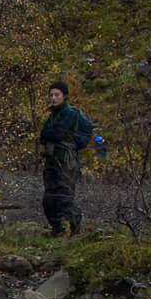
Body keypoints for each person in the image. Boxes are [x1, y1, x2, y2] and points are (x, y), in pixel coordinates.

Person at [38, 79, 96, 236]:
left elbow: (57, 134)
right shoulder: (52, 115)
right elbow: (43, 136)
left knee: (63, 196)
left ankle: (75, 226)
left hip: (66, 161)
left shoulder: (69, 113)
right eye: (51, 95)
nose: (53, 98)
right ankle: (57, 230)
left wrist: (52, 135)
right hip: (51, 160)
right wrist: (51, 135)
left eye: (57, 94)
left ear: (64, 96)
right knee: (49, 199)